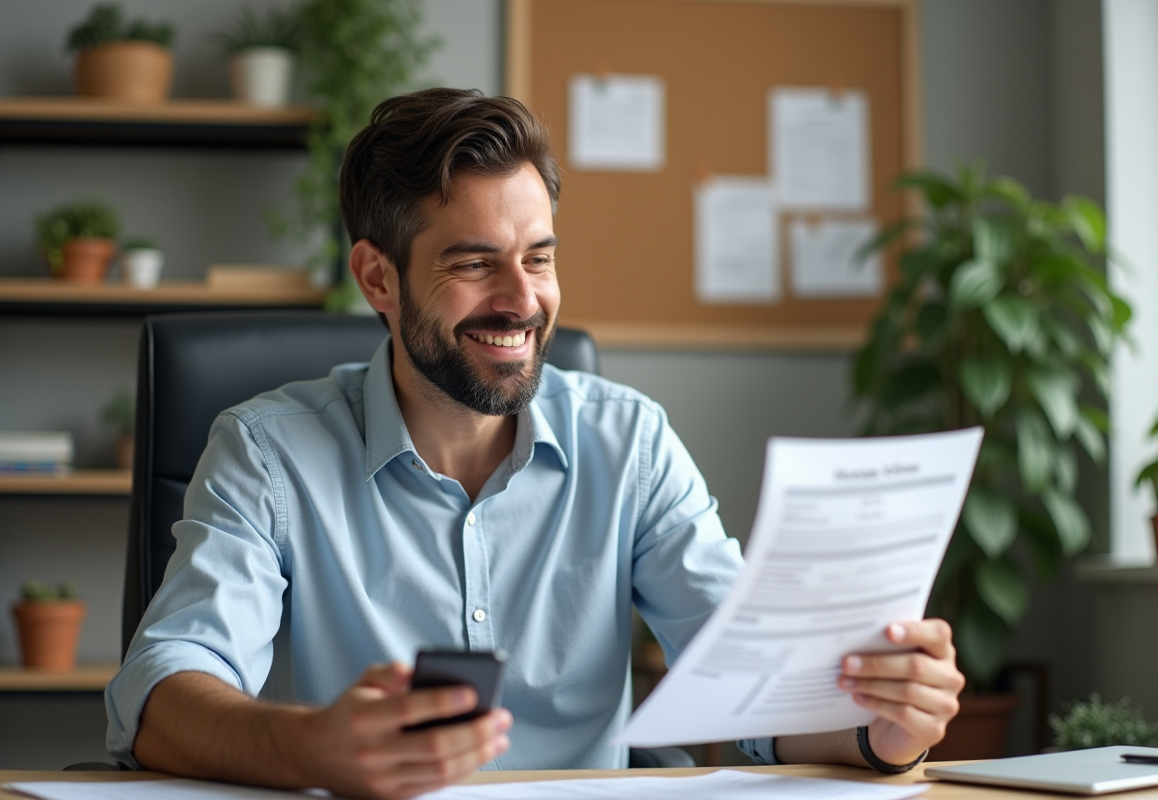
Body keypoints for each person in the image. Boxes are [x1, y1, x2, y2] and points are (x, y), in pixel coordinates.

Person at [105, 88, 963, 800]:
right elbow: (161, 692)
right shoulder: (267, 452)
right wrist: (312, 749)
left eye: (540, 259)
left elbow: (753, 685)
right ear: (377, 277)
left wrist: (880, 728)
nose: (522, 301)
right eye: (475, 264)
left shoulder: (629, 441)